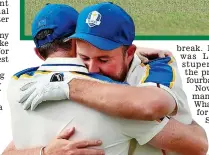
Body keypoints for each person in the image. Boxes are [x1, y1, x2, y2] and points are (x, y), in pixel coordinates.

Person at [4, 2, 208, 155]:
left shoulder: (156, 69)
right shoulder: (40, 86)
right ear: (76, 47)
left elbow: (196, 143)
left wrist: (67, 85)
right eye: (85, 57)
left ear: (129, 53)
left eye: (103, 58)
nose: (92, 68)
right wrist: (44, 151)